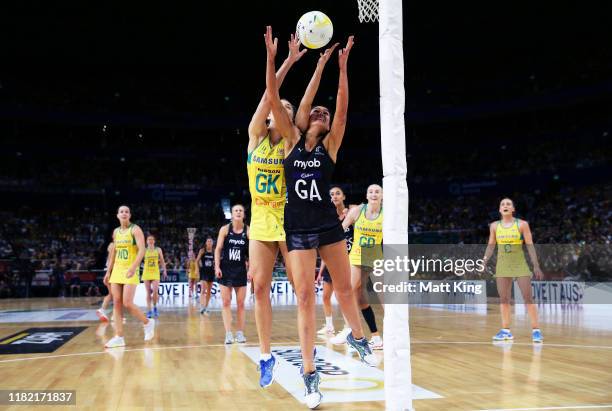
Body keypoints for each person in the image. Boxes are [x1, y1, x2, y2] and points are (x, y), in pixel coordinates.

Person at [265, 26, 378, 409]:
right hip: (296, 227)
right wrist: (276, 58)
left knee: (346, 290)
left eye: (324, 113)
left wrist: (342, 67)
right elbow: (273, 95)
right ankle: (310, 374)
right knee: (304, 300)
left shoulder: (330, 146)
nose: (321, 111)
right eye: (316, 109)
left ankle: (357, 337)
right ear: (303, 118)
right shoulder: (292, 141)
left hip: (328, 226)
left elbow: (342, 107)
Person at [247, 32, 305, 387]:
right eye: (279, 109)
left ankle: (306, 351)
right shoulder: (255, 136)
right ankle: (266, 356)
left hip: (290, 218)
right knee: (260, 287)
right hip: (262, 220)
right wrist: (283, 60)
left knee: (301, 291)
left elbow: (280, 107)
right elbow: (269, 94)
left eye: (290, 110)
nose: (283, 112)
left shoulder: (292, 144)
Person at [484, 198, 543, 343]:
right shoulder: (494, 226)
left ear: (513, 209)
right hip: (502, 265)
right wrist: (484, 260)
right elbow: (491, 245)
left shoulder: (522, 224)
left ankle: (536, 330)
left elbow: (530, 245)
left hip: (519, 264)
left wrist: (536, 265)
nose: (505, 206)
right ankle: (506, 331)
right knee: (504, 299)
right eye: (502, 204)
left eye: (508, 204)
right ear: (499, 210)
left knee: (528, 298)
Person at [103, 205, 155, 348]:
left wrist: (133, 267)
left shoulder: (135, 229)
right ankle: (119, 336)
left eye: (126, 211)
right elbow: (113, 252)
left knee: (127, 303)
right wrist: (108, 271)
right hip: (117, 270)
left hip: (130, 269)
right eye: (121, 211)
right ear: (117, 215)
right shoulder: (115, 232)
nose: (124, 213)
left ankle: (148, 322)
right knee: (117, 303)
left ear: (130, 215)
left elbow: (142, 250)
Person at [340, 184, 384, 350]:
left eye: (377, 191)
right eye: (371, 191)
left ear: (382, 196)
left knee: (386, 298)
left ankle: (394, 336)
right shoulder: (357, 211)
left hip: (376, 258)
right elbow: (341, 229)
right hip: (357, 256)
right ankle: (367, 335)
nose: (374, 194)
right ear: (366, 195)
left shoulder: (386, 214)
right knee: (355, 294)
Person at [316, 186, 351, 336]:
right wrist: (320, 272)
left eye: (338, 194)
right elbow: (326, 248)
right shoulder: (327, 219)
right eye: (332, 194)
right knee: (325, 296)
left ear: (343, 197)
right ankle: (329, 326)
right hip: (330, 262)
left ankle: (348, 327)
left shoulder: (352, 214)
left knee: (342, 295)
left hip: (346, 260)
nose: (335, 196)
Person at [215, 204, 250, 344]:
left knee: (241, 304)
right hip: (226, 270)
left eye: (241, 210)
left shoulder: (248, 231)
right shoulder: (225, 229)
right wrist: (217, 267)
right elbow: (218, 249)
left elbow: (253, 253)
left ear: (244, 214)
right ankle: (228, 334)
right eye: (236, 210)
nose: (238, 212)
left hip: (241, 270)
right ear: (232, 213)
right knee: (226, 302)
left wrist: (251, 269)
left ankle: (240, 333)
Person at [142, 235, 168, 319]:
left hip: (155, 273)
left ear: (154, 241)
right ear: (146, 241)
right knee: (148, 293)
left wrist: (164, 270)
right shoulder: (144, 250)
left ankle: (155, 307)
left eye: (152, 239)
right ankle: (149, 310)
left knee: (155, 292)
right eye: (149, 239)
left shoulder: (158, 249)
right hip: (146, 273)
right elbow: (138, 260)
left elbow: (162, 261)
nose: (150, 240)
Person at [196, 237, 215, 315]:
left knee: (209, 292)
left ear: (212, 243)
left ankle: (206, 307)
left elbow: (216, 261)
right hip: (204, 272)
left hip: (211, 272)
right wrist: (197, 270)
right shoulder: (202, 251)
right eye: (208, 241)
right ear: (206, 243)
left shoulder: (214, 251)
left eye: (211, 241)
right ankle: (202, 307)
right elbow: (196, 261)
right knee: (203, 290)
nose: (209, 242)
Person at [97, 242, 114, 322]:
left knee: (112, 294)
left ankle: (104, 310)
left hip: (109, 271)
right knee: (114, 295)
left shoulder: (111, 245)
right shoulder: (114, 245)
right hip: (111, 272)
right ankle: (104, 310)